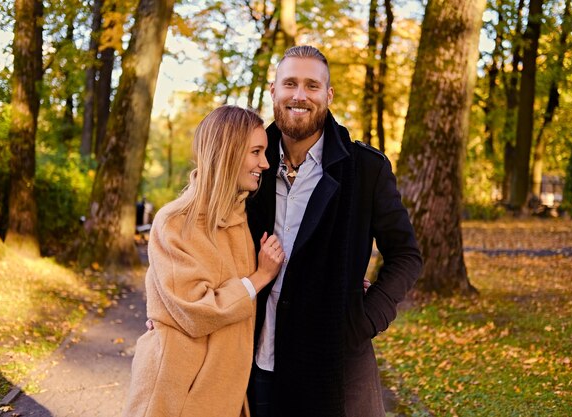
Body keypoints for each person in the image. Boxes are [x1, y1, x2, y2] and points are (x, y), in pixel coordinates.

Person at [245, 46, 423, 417]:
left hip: (334, 361)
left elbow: (406, 255)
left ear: (328, 95)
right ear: (273, 90)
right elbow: (207, 229)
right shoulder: (247, 164)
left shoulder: (365, 169)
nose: (299, 95)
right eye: (290, 83)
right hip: (254, 359)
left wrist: (367, 318)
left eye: (312, 86)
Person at [123, 105, 285, 417]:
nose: (265, 163)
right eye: (256, 152)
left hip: (225, 390)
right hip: (175, 392)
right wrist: (260, 276)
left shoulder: (242, 221)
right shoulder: (175, 221)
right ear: (228, 152)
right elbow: (195, 311)